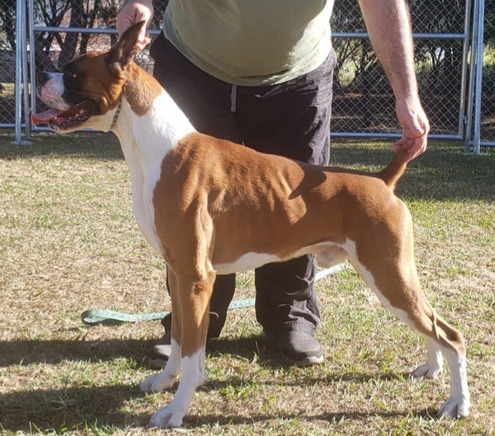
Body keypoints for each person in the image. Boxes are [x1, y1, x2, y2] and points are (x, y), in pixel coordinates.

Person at [116, 0, 430, 368]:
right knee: (185, 219)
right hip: (195, 64)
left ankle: (289, 317)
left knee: (300, 209)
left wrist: (406, 91)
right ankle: (189, 330)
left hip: (297, 74)